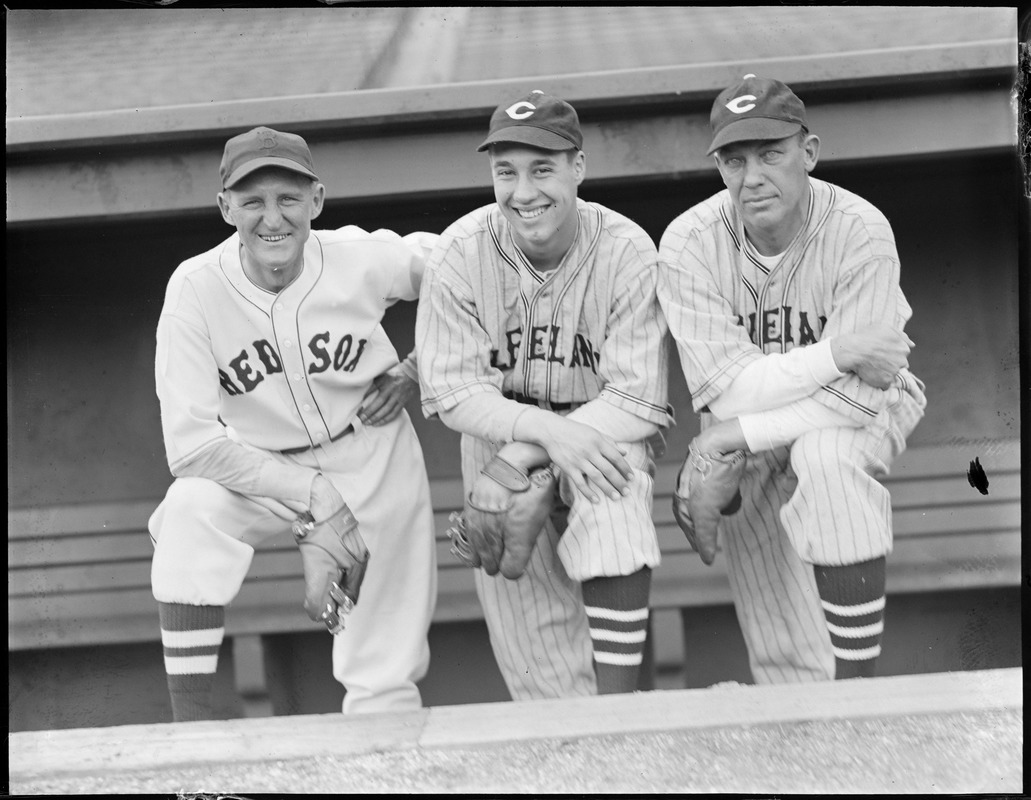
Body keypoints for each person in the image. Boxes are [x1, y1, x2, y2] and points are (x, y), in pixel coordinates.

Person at [148, 126, 437, 721]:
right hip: (260, 465)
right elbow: (192, 447)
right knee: (188, 510)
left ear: (317, 201)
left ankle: (384, 771)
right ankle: (190, 734)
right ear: (225, 207)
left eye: (288, 198)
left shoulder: (361, 257)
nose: (271, 217)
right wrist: (317, 502)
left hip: (371, 452)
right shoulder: (194, 288)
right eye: (252, 200)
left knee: (383, 671)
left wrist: (420, 369)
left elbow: (469, 271)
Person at [657, 75, 927, 683]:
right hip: (747, 424)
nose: (751, 176)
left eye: (770, 154)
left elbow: (858, 398)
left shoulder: (859, 228)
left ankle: (856, 694)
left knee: (826, 454)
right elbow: (726, 392)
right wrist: (842, 351)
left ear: (808, 153)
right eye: (733, 159)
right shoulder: (689, 244)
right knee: (779, 637)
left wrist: (734, 433)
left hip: (870, 401)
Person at [416, 90, 673, 698]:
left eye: (542, 169)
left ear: (578, 168)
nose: (523, 192)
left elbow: (636, 399)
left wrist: (527, 462)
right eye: (506, 172)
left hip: (596, 435)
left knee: (613, 484)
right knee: (540, 672)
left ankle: (615, 715)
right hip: (499, 449)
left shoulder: (627, 249)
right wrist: (542, 444)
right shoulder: (459, 252)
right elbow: (453, 393)